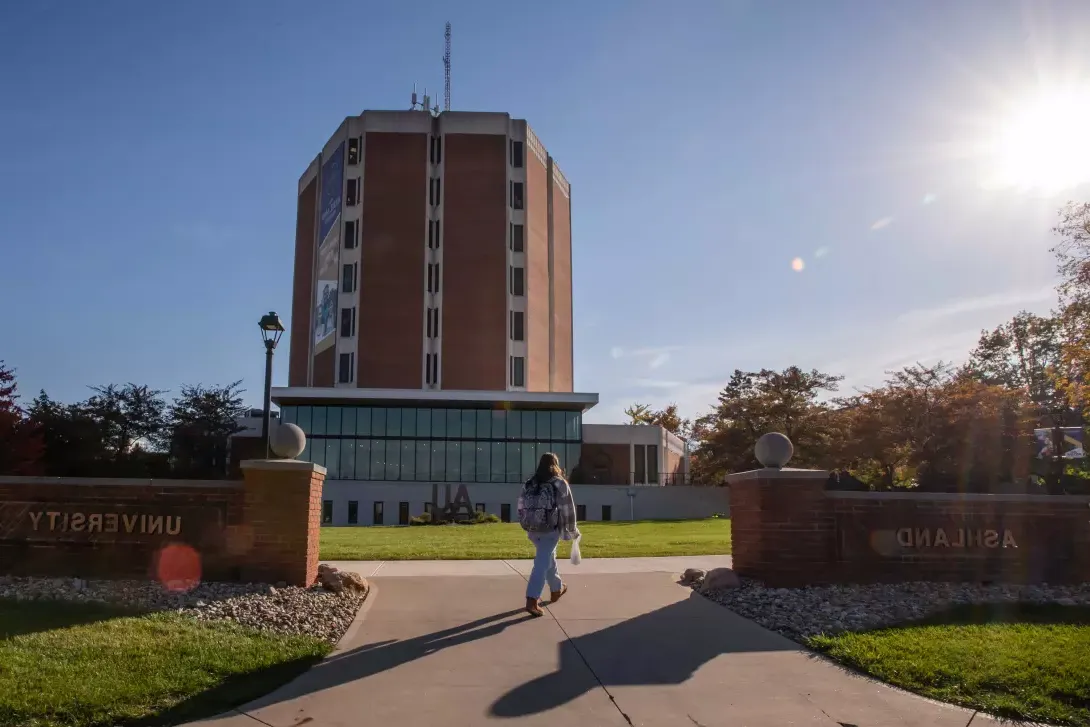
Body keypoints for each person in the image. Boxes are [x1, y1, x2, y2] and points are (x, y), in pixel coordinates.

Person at [517, 451, 580, 617]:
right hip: (549, 529)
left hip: (531, 529)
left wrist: (525, 522)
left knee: (547, 558)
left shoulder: (530, 483)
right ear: (555, 464)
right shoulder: (559, 483)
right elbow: (568, 509)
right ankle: (532, 599)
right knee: (542, 562)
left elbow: (521, 505)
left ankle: (556, 589)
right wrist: (572, 530)